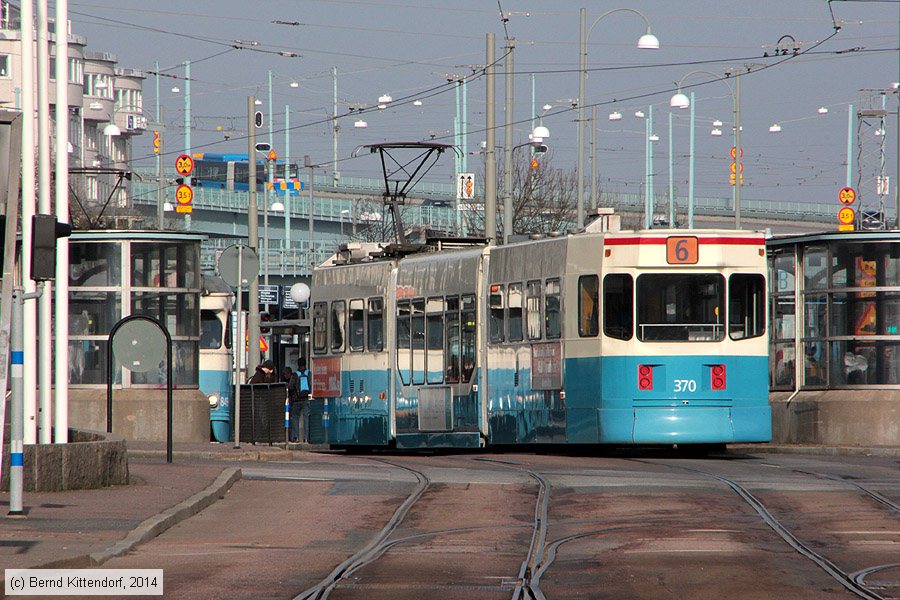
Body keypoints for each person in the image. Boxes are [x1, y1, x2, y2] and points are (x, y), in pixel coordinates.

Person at [295, 359, 312, 443]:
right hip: (306, 399)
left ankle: (296, 437)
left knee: (295, 417)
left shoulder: (295, 374)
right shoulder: (309, 373)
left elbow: (291, 386)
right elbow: (311, 384)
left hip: (297, 400)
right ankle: (306, 438)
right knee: (306, 418)